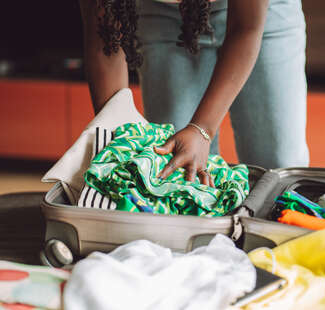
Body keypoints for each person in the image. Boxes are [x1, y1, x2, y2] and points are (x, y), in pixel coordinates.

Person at [79, 0, 309, 186]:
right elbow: (104, 39)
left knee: (279, 164)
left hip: (264, 15)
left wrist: (202, 129)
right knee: (175, 170)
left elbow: (245, 28)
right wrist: (115, 135)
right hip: (162, 17)